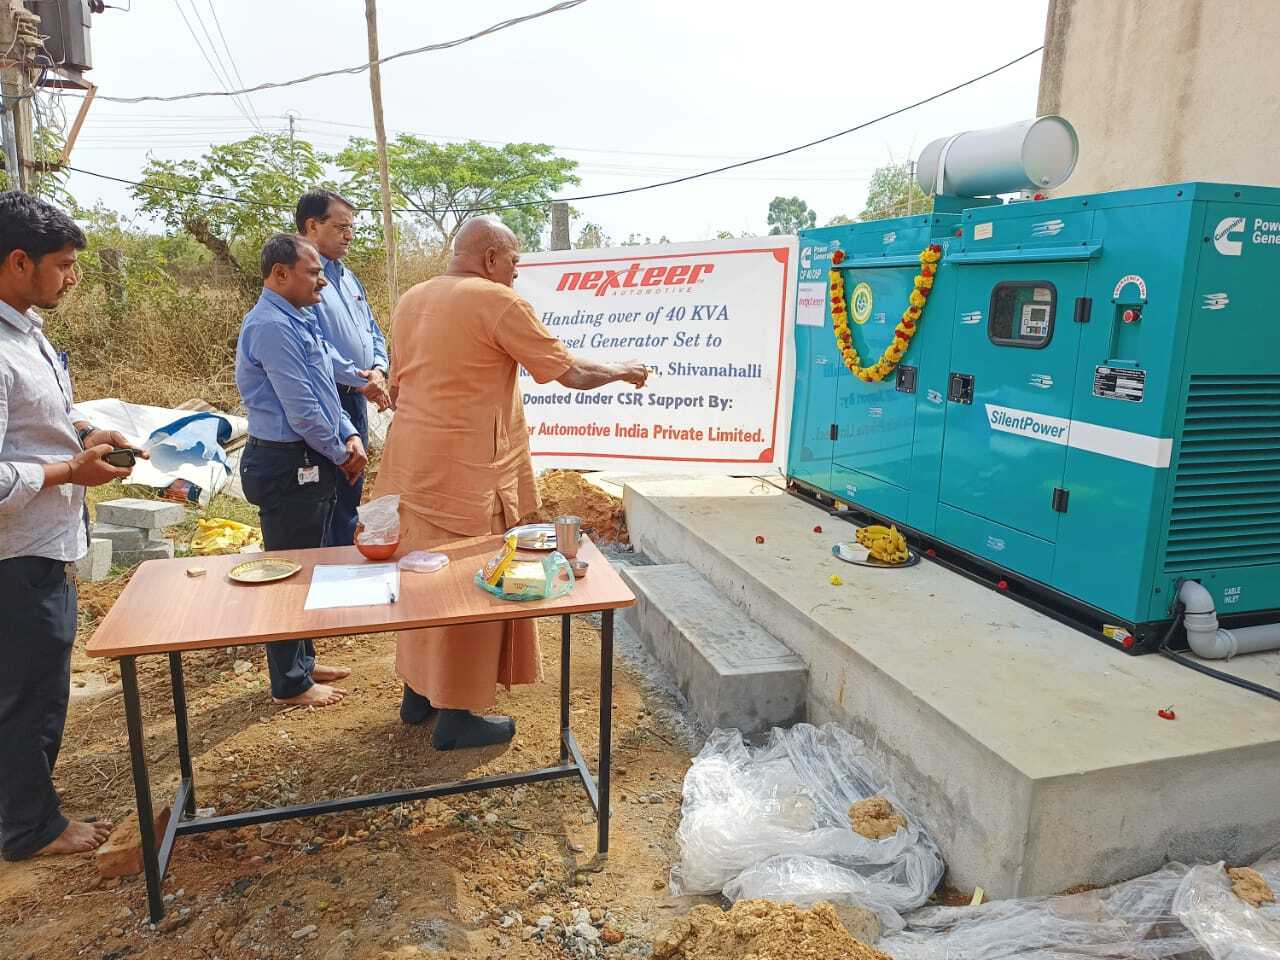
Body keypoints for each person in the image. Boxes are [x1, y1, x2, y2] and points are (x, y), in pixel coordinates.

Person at [374, 217, 649, 750]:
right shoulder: (497, 301)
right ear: (492, 257)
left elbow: (400, 379)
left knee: (421, 581)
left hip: (413, 467)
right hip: (467, 474)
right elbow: (568, 371)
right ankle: (456, 714)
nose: (517, 273)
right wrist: (621, 369)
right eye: (516, 262)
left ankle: (417, 694)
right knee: (468, 585)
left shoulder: (412, 298)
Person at [0, 191, 144, 859]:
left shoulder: (25, 331)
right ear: (18, 261)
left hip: (42, 546)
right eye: (62, 264)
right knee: (28, 699)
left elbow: (36, 423)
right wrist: (66, 474)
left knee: (33, 690)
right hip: (16, 557)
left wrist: (87, 432)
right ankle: (31, 828)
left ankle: (25, 811)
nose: (73, 276)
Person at [235, 234, 366, 707]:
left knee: (307, 564)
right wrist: (341, 452)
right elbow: (303, 409)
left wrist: (350, 433)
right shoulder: (270, 325)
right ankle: (289, 682)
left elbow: (328, 388)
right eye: (313, 273)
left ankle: (303, 661)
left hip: (310, 456)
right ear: (280, 274)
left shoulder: (301, 318)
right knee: (287, 570)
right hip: (287, 462)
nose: (322, 281)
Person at [296, 189, 391, 547]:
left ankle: (342, 569)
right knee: (325, 494)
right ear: (312, 226)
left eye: (352, 228)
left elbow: (372, 329)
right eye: (341, 227)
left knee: (351, 488)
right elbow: (314, 346)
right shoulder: (300, 280)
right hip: (328, 398)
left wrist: (379, 368)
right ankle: (324, 571)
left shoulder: (348, 278)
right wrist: (359, 378)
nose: (349, 235)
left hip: (358, 396)